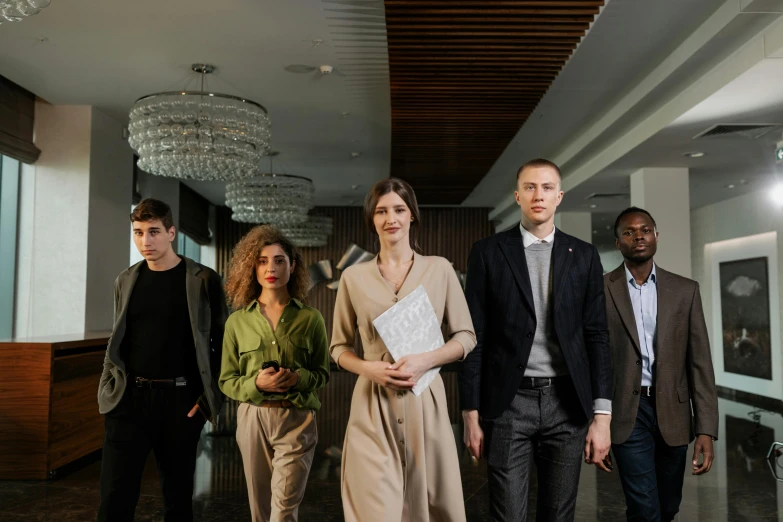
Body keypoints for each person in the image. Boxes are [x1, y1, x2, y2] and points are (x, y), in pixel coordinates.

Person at [460, 158, 613, 521]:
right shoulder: (488, 252)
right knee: (508, 514)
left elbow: (597, 337)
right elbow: (473, 337)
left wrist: (602, 417)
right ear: (517, 196)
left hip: (567, 403)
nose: (538, 195)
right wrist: (470, 413)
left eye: (546, 188)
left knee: (558, 514)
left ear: (559, 196)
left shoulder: (585, 256)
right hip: (508, 402)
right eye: (530, 187)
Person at [330, 178, 477, 522]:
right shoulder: (353, 277)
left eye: (398, 209)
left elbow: (466, 336)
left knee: (432, 500)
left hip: (426, 402)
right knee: (374, 507)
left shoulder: (440, 269)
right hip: (372, 406)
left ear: (412, 215)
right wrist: (369, 369)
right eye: (381, 211)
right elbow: (338, 347)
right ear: (372, 219)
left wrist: (427, 359)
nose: (390, 218)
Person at [97, 198, 227, 522]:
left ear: (171, 233)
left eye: (153, 232)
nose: (145, 241)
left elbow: (222, 344)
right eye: (138, 232)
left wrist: (211, 400)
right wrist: (108, 388)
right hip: (129, 401)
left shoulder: (204, 280)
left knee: (177, 498)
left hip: (181, 403)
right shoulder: (125, 280)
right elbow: (118, 339)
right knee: (114, 497)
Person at [603, 207, 718, 522]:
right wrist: (594, 420)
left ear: (655, 236)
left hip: (674, 410)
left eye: (645, 230)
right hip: (626, 410)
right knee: (644, 509)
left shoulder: (684, 290)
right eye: (629, 231)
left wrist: (706, 429)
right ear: (617, 242)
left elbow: (700, 363)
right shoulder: (600, 290)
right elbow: (591, 360)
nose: (638, 236)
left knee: (668, 507)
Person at [220, 225, 329, 522]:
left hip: (297, 418)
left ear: (292, 267)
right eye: (262, 260)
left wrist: (298, 378)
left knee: (282, 512)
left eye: (279, 260)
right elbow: (227, 381)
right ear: (251, 266)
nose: (271, 268)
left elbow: (322, 372)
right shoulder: (237, 323)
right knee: (260, 509)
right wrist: (255, 382)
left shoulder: (310, 318)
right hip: (252, 418)